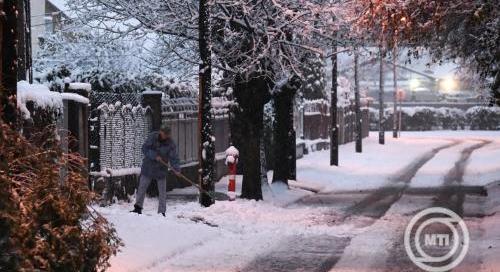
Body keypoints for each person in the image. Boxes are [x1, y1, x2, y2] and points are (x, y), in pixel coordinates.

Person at [131, 125, 181, 216]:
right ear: (160, 132)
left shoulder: (171, 144)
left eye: (167, 134)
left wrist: (177, 169)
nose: (166, 136)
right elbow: (144, 148)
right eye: (164, 133)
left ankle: (162, 211)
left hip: (161, 169)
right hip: (148, 167)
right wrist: (154, 155)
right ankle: (138, 207)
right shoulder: (152, 137)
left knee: (162, 191)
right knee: (142, 187)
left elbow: (174, 158)